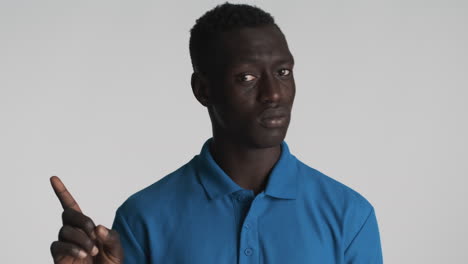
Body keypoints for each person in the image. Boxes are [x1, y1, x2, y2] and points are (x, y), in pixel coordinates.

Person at [50, 3, 383, 264]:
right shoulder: (144, 218)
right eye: (247, 78)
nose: (274, 93)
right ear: (203, 90)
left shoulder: (349, 215)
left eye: (283, 72)